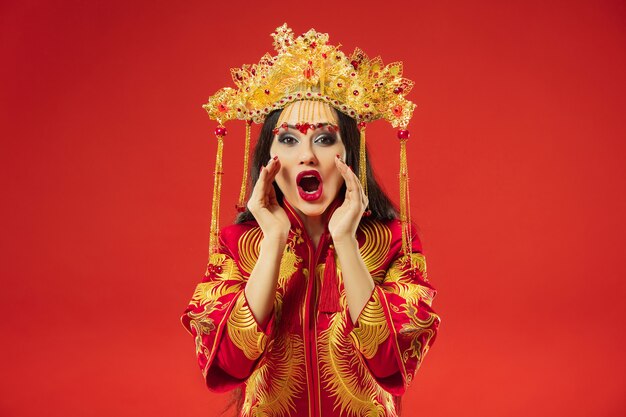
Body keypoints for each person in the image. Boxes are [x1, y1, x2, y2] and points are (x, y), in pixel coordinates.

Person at [181, 24, 441, 417]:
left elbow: (392, 362)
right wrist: (271, 241)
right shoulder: (238, 245)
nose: (306, 156)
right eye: (288, 140)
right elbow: (228, 364)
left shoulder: (393, 242)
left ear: (349, 154)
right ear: (269, 158)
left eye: (323, 139)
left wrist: (347, 242)